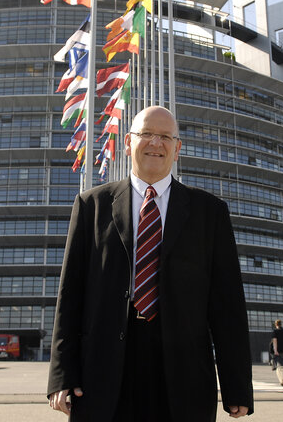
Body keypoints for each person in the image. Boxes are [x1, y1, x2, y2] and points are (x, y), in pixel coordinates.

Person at [47, 106, 253, 421]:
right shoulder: (91, 206)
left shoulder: (210, 213)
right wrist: (61, 375)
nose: (156, 143)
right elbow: (70, 296)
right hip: (102, 373)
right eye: (147, 134)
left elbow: (227, 306)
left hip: (183, 374)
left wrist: (237, 384)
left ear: (177, 149)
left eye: (165, 137)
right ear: (128, 142)